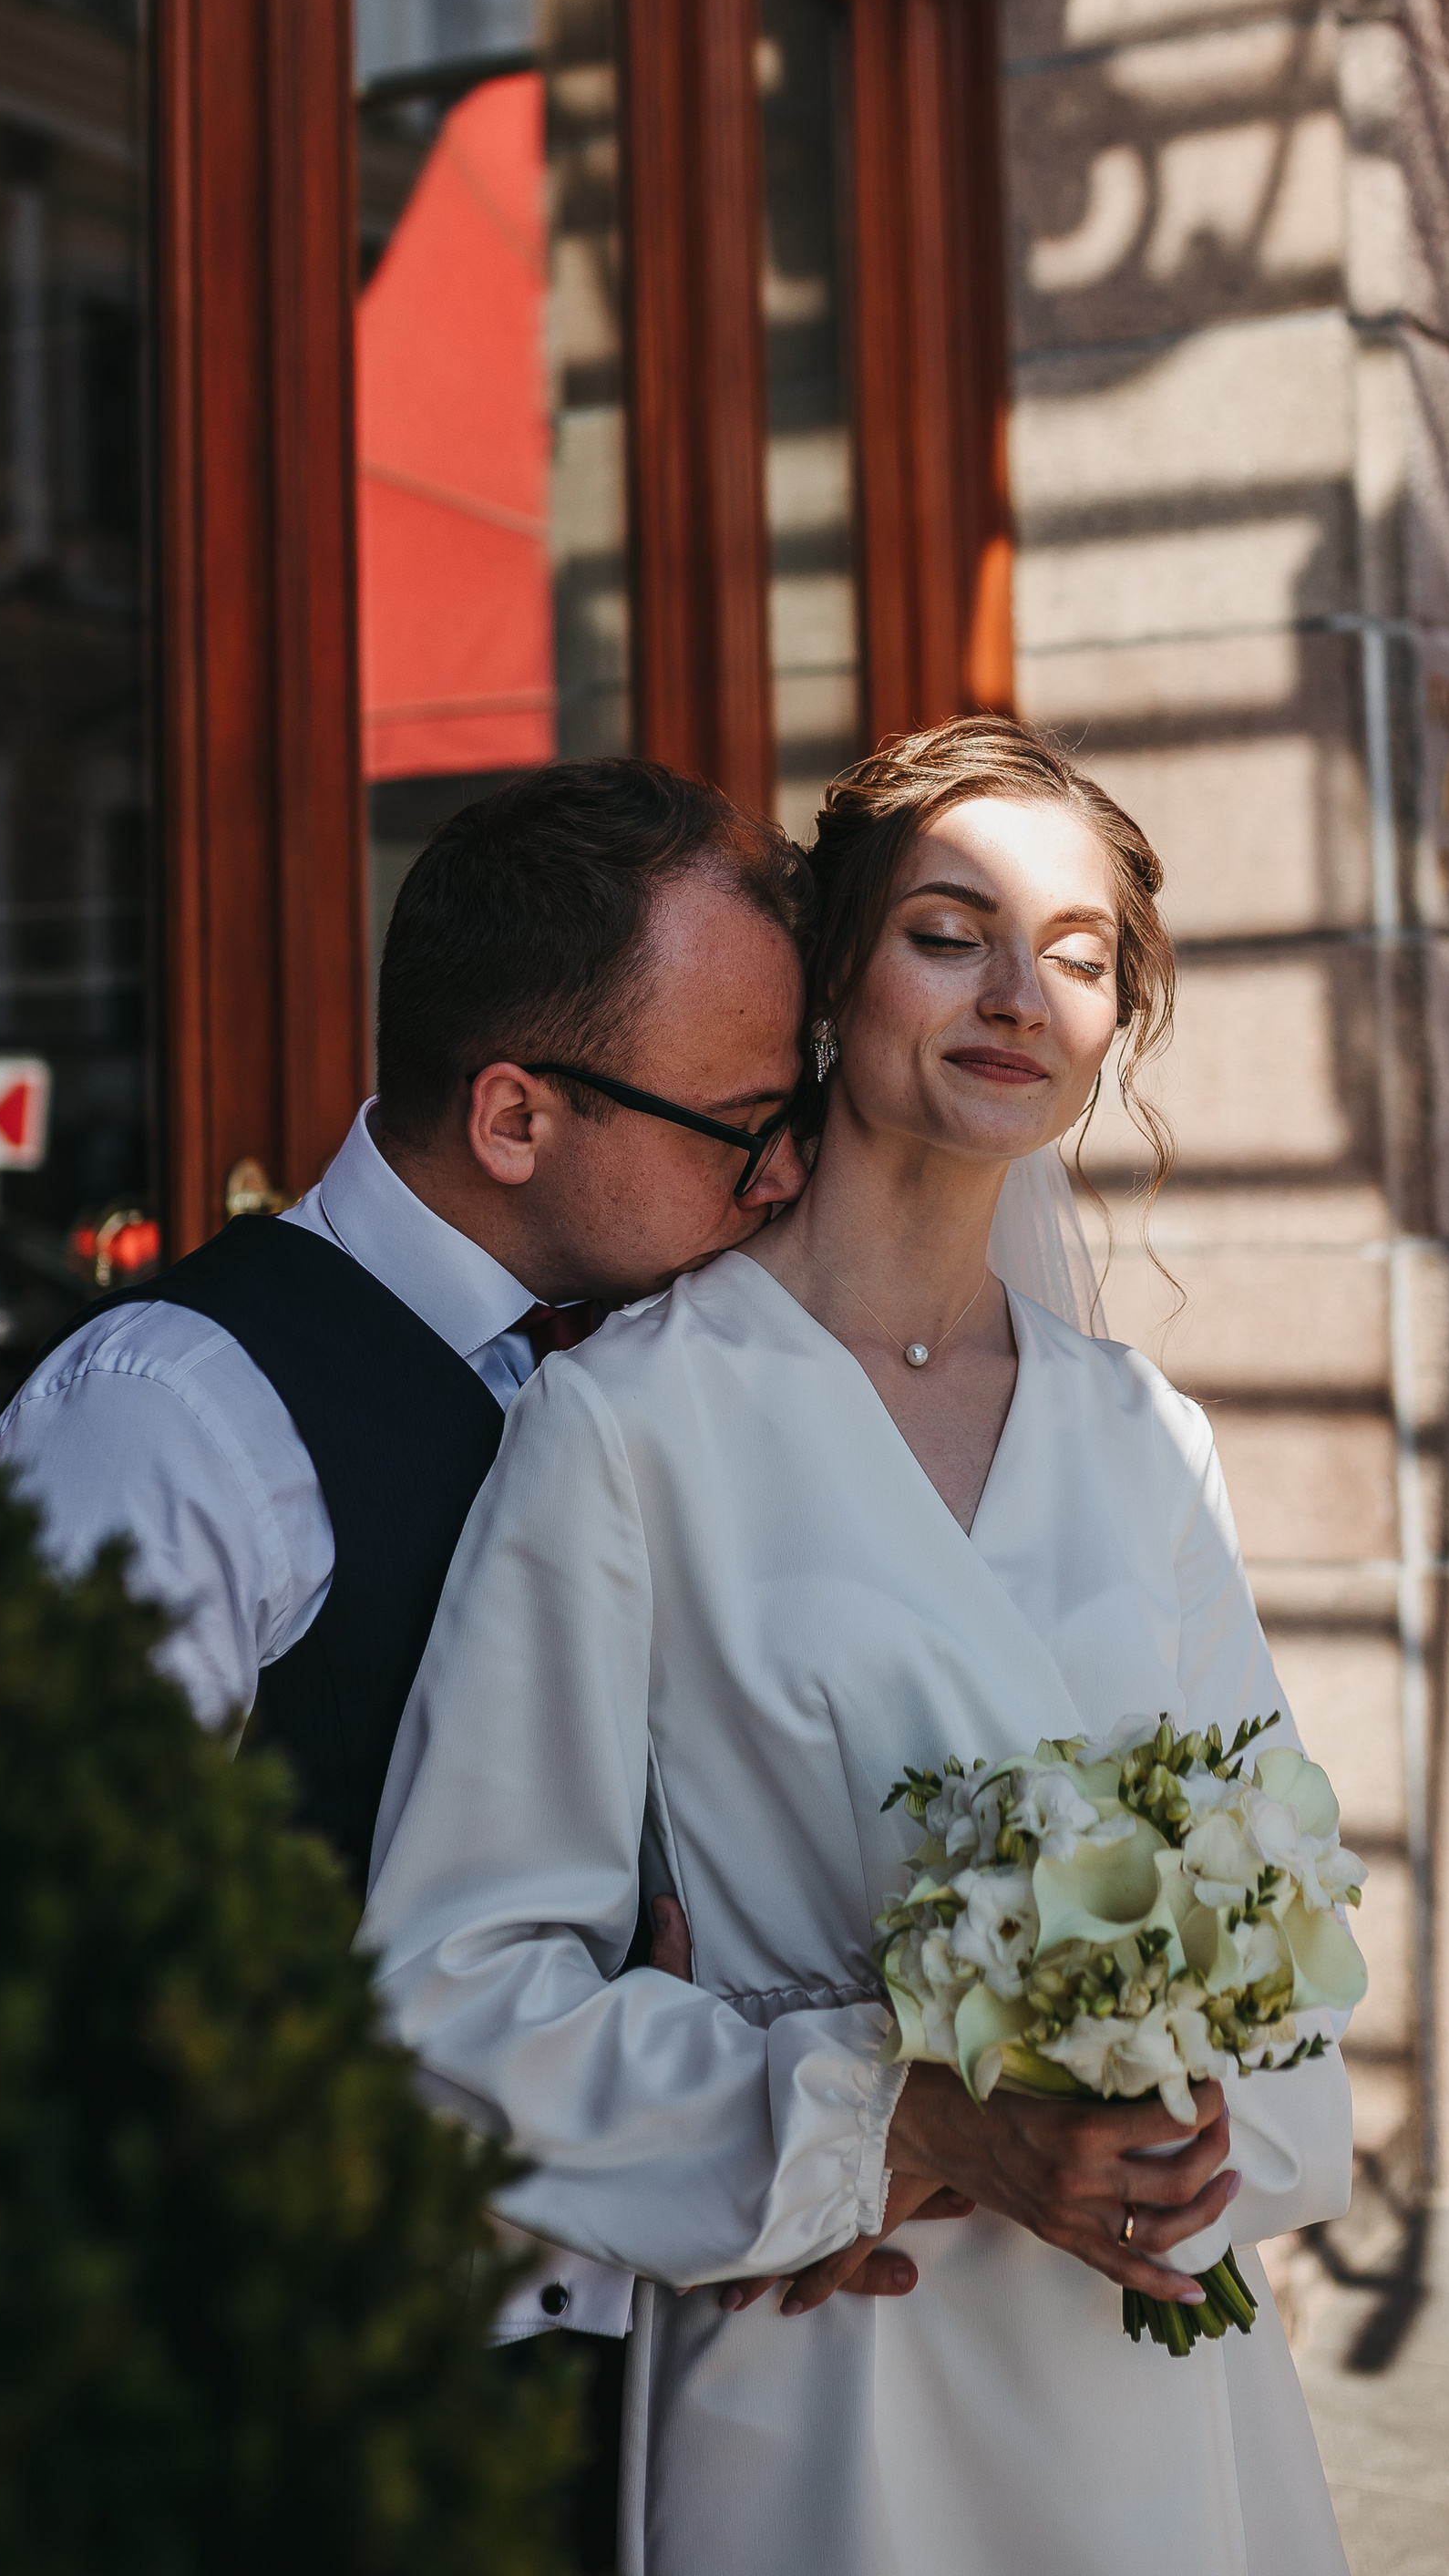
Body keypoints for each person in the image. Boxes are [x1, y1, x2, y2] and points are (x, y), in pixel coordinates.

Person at [363, 717, 1358, 2576]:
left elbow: (1294, 1936)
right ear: (833, 975)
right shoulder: (632, 1425)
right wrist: (897, 2123)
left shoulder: (1146, 1435)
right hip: (836, 2347)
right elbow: (455, 1984)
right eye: (947, 930)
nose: (1014, 992)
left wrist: (1186, 2136)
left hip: (1144, 2365)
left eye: (1076, 955)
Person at [0, 758, 879, 2564]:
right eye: (733, 1123)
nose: (778, 1175)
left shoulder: (651, 1386)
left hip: (623, 2387)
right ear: (515, 1115)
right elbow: (29, 1987)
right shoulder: (173, 1416)